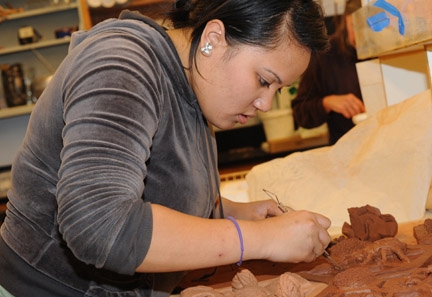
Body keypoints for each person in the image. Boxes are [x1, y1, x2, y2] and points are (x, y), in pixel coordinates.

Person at [0, 0, 332, 296]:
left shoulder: (197, 85)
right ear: (213, 39)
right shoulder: (121, 63)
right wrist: (260, 239)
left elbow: (152, 183)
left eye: (279, 88)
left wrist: (229, 211)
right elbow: (99, 224)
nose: (265, 103)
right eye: (264, 80)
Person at [291, 0, 365, 145]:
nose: (361, 36)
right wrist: (327, 103)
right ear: (346, 20)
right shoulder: (326, 55)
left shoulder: (389, 48)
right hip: (345, 153)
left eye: (369, 27)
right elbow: (300, 113)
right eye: (355, 26)